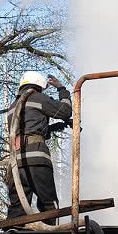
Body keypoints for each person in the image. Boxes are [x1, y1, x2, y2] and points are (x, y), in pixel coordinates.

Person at [6, 71, 72, 224]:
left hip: (15, 163)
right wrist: (62, 89)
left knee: (17, 208)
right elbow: (65, 111)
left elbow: (28, 129)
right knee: (48, 204)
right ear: (40, 85)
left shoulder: (13, 106)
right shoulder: (37, 97)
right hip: (36, 159)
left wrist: (54, 127)